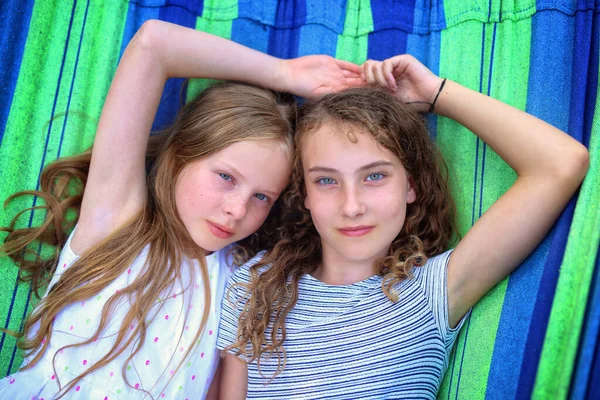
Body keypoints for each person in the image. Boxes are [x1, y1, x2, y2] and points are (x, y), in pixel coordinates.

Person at [0, 20, 363, 399]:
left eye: (262, 197)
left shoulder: (241, 283)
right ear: (178, 157)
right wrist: (285, 72)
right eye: (225, 176)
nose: (237, 209)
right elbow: (153, 45)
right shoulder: (118, 221)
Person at [217, 54, 590, 399]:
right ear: (305, 194)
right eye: (327, 181)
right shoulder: (257, 284)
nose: (352, 207)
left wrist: (436, 94)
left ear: (410, 185)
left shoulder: (432, 292)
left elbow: (560, 163)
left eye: (375, 176)